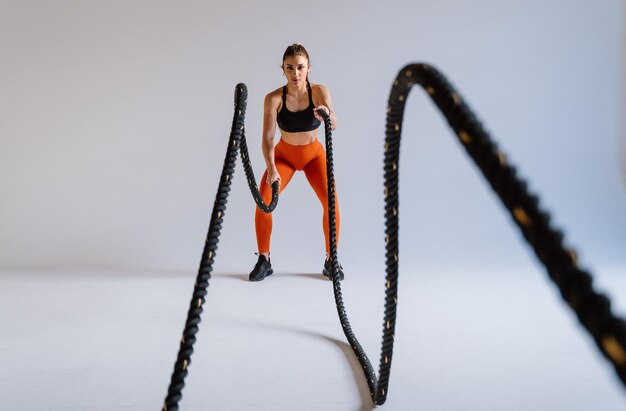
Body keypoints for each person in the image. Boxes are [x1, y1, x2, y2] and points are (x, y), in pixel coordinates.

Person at [249, 43, 344, 282]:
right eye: (290, 68)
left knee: (331, 202)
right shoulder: (273, 99)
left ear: (309, 68)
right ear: (282, 69)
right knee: (264, 202)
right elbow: (268, 139)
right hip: (284, 158)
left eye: (300, 67)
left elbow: (334, 121)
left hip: (313, 157)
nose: (295, 73)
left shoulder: (319, 92)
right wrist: (271, 170)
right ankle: (264, 259)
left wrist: (327, 114)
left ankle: (331, 260)